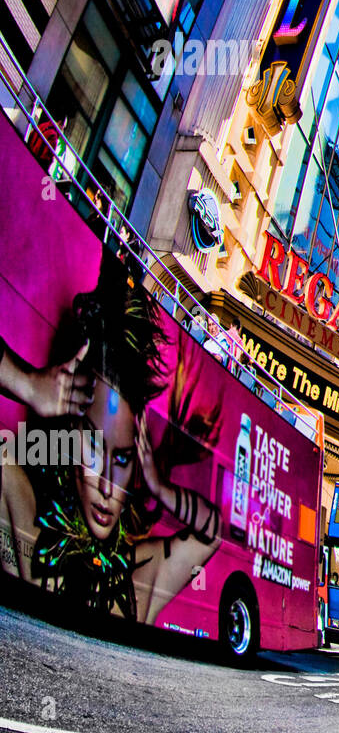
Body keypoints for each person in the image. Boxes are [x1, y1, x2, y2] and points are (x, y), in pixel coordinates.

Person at [0, 252, 220, 623]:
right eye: (92, 448)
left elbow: (210, 531)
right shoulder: (19, 502)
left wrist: (159, 487)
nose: (106, 485)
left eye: (120, 459)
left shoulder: (142, 574)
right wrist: (28, 385)